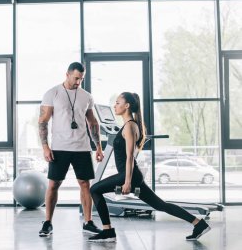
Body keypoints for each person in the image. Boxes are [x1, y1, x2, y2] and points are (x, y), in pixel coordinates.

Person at [88, 92, 211, 242]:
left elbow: (129, 157)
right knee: (160, 205)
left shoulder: (129, 126)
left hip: (130, 175)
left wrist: (127, 182)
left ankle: (108, 231)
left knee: (94, 189)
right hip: (133, 175)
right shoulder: (129, 125)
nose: (115, 105)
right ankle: (199, 224)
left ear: (127, 106)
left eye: (118, 103)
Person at [38, 62, 104, 237]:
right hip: (59, 148)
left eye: (81, 79)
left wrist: (98, 146)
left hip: (82, 148)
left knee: (85, 184)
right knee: (54, 184)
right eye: (76, 78)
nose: (78, 82)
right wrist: (45, 147)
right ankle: (47, 222)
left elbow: (93, 122)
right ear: (67, 74)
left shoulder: (87, 96)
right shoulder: (52, 94)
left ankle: (88, 222)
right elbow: (43, 122)